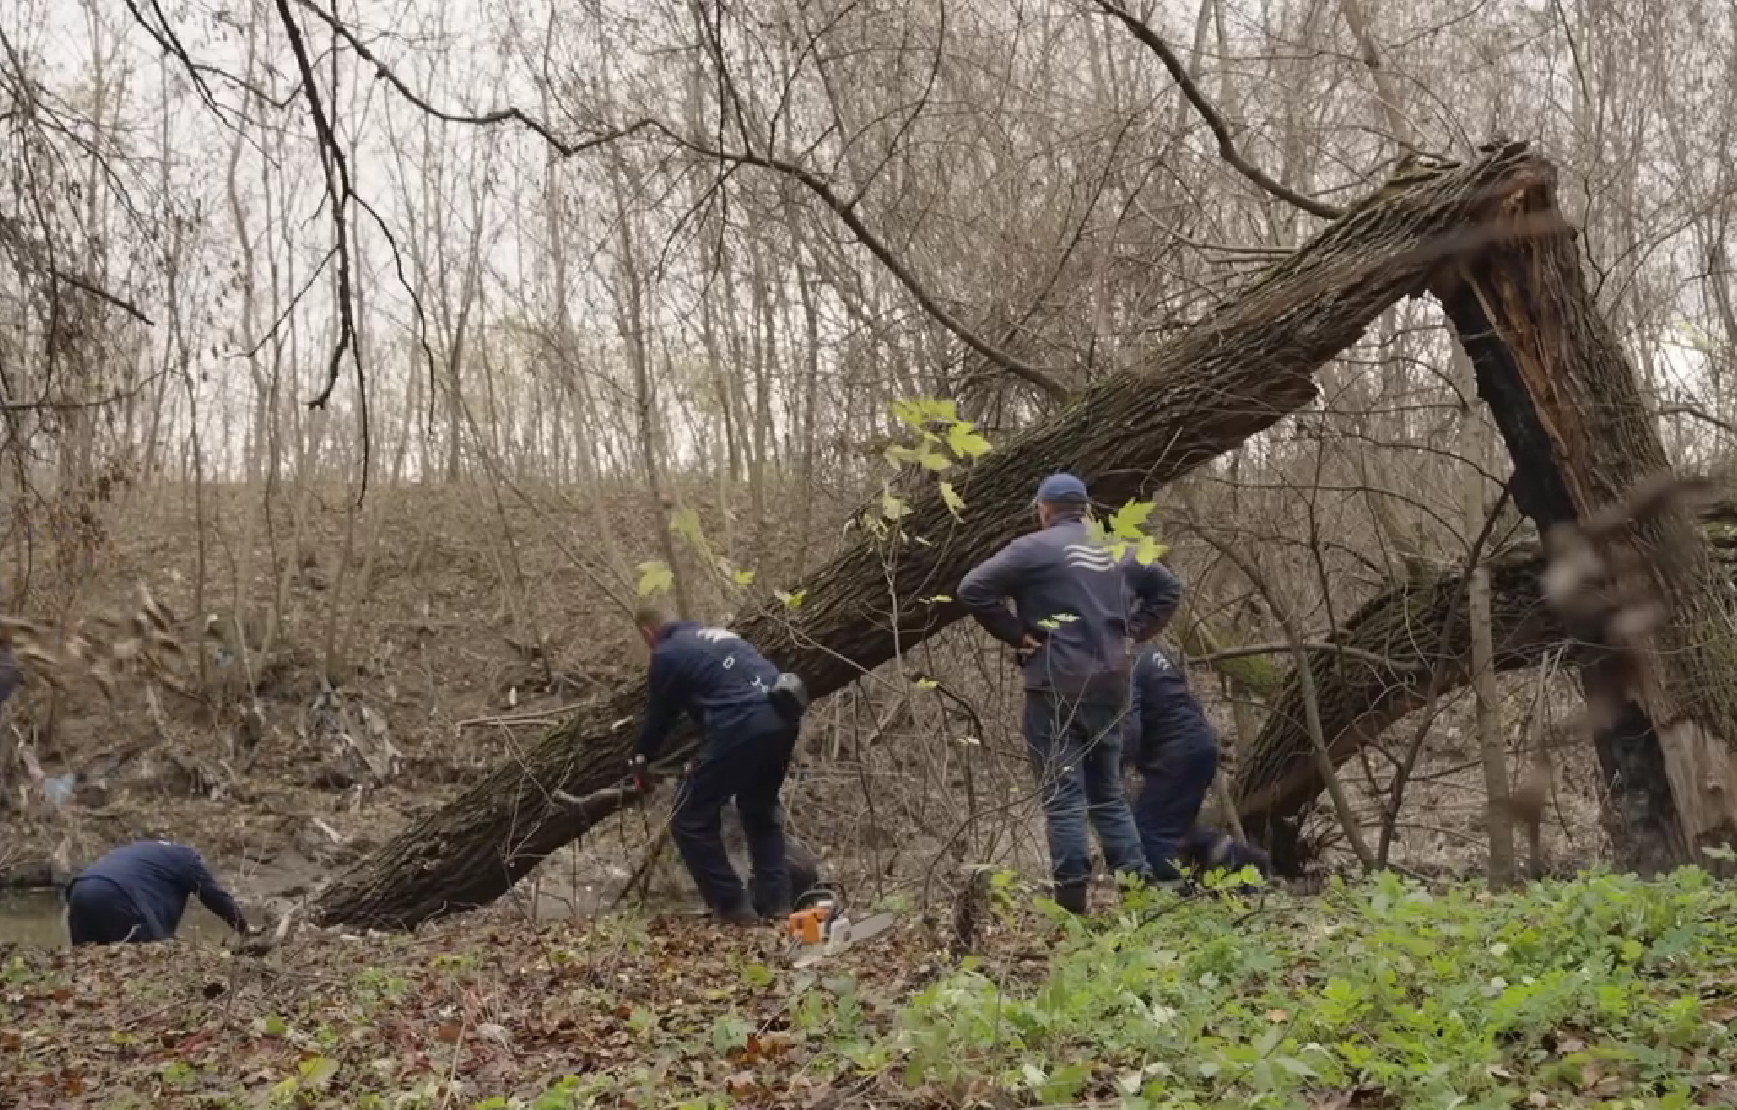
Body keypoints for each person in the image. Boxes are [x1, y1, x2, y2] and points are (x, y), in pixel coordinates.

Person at [957, 473, 1181, 915]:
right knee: (1108, 793)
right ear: (1086, 509)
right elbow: (1169, 588)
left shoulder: (1032, 548)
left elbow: (972, 589)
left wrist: (1018, 635)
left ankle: (1071, 907)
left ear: (1043, 510)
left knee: (1063, 797)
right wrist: (1130, 633)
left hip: (1055, 684)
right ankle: (1140, 898)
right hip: (1114, 682)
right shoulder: (1118, 548)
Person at [631, 603, 804, 925]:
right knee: (759, 810)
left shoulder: (667, 653)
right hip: (783, 716)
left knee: (688, 818)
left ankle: (733, 908)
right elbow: (717, 696)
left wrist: (641, 755)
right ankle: (777, 906)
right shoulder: (717, 636)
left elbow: (661, 716)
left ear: (648, 633)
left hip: (742, 722)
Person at [1125, 643, 1271, 886]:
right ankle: (1245, 861)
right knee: (1177, 828)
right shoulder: (1153, 653)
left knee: (1150, 831)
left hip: (1175, 755)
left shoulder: (1128, 663)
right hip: (1197, 745)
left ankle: (1167, 894)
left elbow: (1130, 729)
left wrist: (1109, 762)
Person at [63, 839, 250, 946]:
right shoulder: (186, 859)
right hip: (119, 894)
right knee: (152, 956)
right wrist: (244, 928)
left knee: (86, 961)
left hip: (80, 890)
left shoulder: (147, 853)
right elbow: (214, 896)